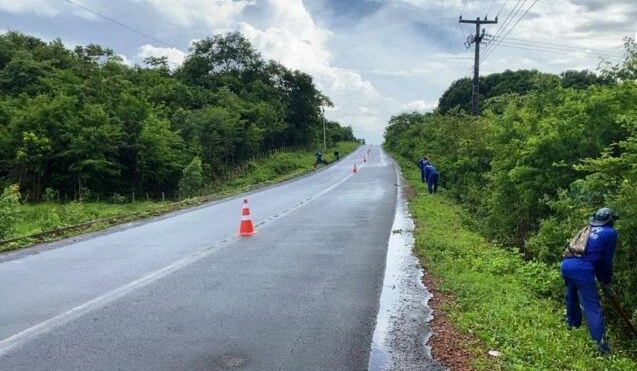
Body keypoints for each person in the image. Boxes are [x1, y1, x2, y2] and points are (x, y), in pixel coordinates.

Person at [560, 207, 619, 355]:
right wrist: (606, 281)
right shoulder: (610, 233)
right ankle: (600, 347)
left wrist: (602, 278)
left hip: (567, 265)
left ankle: (572, 327)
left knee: (572, 297)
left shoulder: (588, 228)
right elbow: (606, 261)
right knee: (593, 307)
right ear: (610, 221)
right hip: (583, 270)